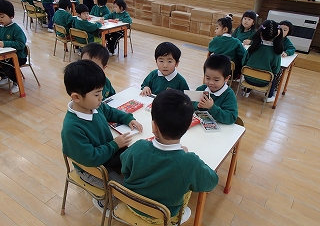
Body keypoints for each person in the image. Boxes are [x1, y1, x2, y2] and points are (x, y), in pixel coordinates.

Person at [121, 89, 219, 224]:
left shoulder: (139, 147)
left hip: (131, 204)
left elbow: (124, 168)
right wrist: (185, 156)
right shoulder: (189, 162)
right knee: (187, 184)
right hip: (163, 216)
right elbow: (211, 182)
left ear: (154, 126)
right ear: (188, 124)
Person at [61, 59, 143, 211]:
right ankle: (102, 202)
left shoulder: (93, 105)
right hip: (91, 169)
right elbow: (91, 158)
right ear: (77, 97)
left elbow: (110, 111)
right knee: (125, 192)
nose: (101, 98)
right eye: (97, 94)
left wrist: (128, 118)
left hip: (107, 154)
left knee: (138, 156)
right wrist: (114, 144)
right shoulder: (72, 128)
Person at [242, 19, 283, 102]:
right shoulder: (276, 52)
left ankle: (247, 91)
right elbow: (276, 70)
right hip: (264, 82)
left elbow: (244, 62)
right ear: (276, 34)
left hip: (248, 78)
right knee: (274, 75)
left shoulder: (252, 47)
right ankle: (269, 96)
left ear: (260, 33)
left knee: (250, 67)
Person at [193, 54, 238, 124]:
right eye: (207, 78)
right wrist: (197, 106)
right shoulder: (201, 89)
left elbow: (231, 117)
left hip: (220, 130)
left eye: (216, 80)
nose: (211, 82)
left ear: (226, 78)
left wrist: (212, 107)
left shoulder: (229, 94)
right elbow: (190, 105)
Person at [0, 0, 27, 94]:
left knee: (6, 66)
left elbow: (21, 44)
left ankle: (17, 82)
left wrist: (5, 43)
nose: (0, 19)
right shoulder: (1, 27)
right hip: (5, 55)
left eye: (2, 17)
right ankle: (4, 77)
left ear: (11, 16)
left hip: (19, 56)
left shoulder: (16, 29)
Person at [274, 20, 296, 93]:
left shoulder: (286, 41)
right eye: (280, 29)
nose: (282, 31)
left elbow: (292, 49)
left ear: (288, 33)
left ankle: (274, 89)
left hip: (278, 62)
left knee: (279, 71)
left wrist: (287, 52)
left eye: (285, 30)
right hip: (270, 59)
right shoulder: (273, 37)